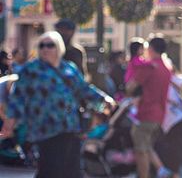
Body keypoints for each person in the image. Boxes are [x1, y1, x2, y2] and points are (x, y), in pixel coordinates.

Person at [0, 31, 114, 178]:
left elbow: (83, 89)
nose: (45, 49)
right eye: (42, 45)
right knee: (50, 169)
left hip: (70, 126)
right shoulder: (31, 69)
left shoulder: (69, 68)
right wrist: (10, 122)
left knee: (72, 171)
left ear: (59, 47)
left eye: (50, 45)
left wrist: (104, 99)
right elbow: (18, 97)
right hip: (45, 128)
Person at [126, 35, 172, 178]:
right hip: (159, 114)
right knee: (146, 146)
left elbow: (130, 87)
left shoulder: (149, 67)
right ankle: (162, 171)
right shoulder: (166, 68)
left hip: (145, 112)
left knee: (141, 150)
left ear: (150, 49)